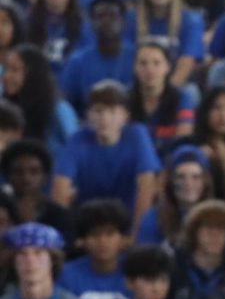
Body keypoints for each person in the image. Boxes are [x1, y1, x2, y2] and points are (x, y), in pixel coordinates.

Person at [51, 80, 160, 226]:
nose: (104, 118)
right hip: (88, 220)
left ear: (125, 116)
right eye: (98, 111)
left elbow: (146, 185)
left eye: (112, 111)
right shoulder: (78, 139)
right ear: (88, 115)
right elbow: (60, 186)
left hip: (128, 218)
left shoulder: (137, 135)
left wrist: (136, 233)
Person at [57, 198, 131, 299]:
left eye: (110, 233)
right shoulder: (65, 275)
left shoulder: (135, 271)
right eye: (95, 234)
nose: (103, 241)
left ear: (124, 239)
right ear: (81, 241)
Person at [58, 0, 132, 116]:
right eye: (101, 16)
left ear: (123, 21)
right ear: (91, 23)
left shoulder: (138, 58)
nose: (107, 21)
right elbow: (64, 104)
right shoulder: (78, 61)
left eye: (113, 15)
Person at [136, 144, 211, 247]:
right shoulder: (153, 218)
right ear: (171, 182)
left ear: (205, 182)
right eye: (180, 177)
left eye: (196, 177)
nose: (188, 184)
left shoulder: (216, 216)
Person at [128, 38, 194, 153]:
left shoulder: (182, 97)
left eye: (156, 63)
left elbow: (183, 140)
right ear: (135, 68)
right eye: (143, 63)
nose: (150, 69)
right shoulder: (125, 98)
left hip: (171, 162)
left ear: (168, 67)